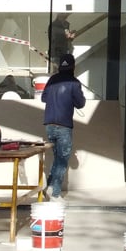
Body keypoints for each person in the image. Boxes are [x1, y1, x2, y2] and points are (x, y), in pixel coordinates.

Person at [41, 52, 85, 200]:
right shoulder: (74, 82)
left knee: (57, 158)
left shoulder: (52, 80)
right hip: (64, 126)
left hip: (49, 124)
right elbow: (80, 103)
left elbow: (44, 98)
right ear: (73, 67)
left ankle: (49, 186)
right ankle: (55, 194)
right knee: (62, 161)